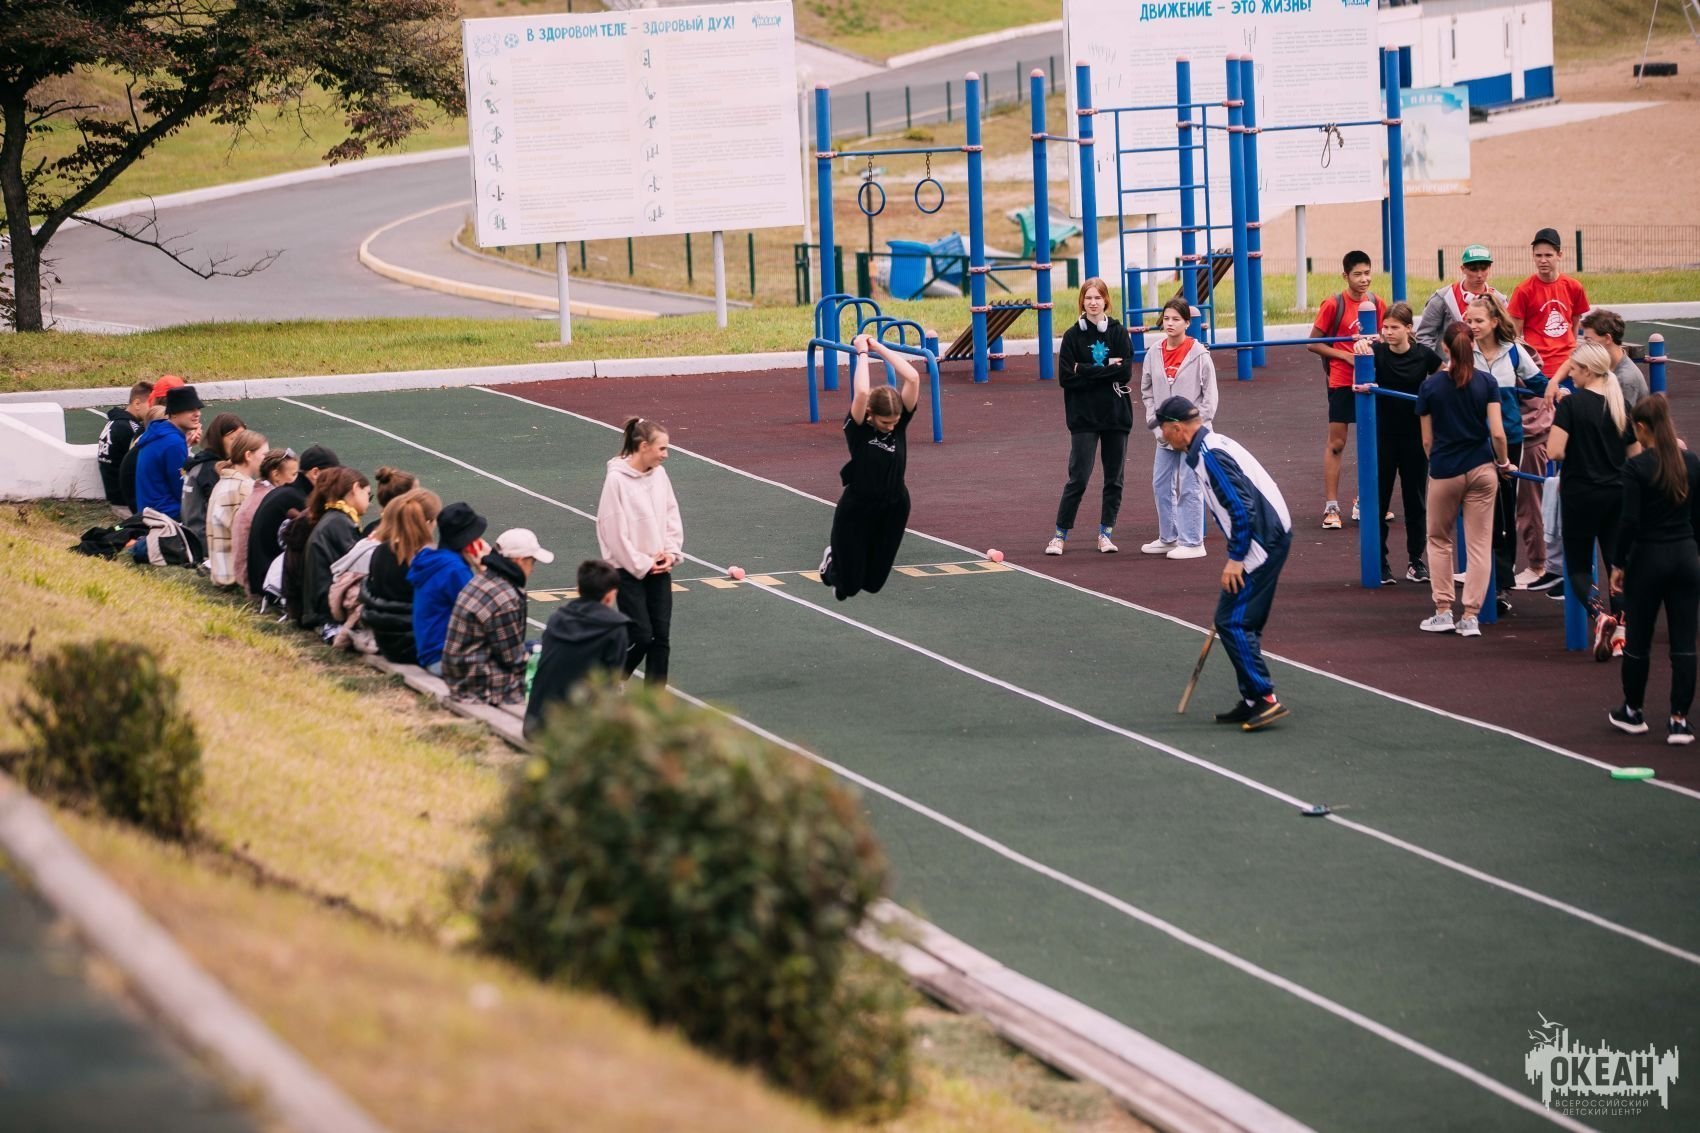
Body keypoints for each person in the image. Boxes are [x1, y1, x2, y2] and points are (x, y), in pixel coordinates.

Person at [1156, 396, 1292, 731]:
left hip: (1262, 541)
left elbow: (1241, 508)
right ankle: (1252, 699)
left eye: (1163, 430)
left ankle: (1264, 697)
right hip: (1268, 535)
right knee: (1239, 620)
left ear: (1178, 428)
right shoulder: (1210, 447)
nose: (1162, 436)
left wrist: (1236, 558)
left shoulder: (1210, 455)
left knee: (1232, 622)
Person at [1608, 395, 1700, 743]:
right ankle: (1679, 719)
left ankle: (1633, 710)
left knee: (1639, 640)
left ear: (1642, 427)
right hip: (1685, 556)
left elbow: (1629, 521)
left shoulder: (1636, 468)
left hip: (1648, 558)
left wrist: (1618, 563)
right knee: (1684, 642)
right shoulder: (1690, 462)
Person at [1417, 322, 1512, 637]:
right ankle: (1471, 615)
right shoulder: (1487, 382)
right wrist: (1503, 462)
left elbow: (1427, 441)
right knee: (1479, 545)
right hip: (1482, 468)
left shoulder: (1431, 387)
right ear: (1472, 345)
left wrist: (1437, 460)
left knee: (1438, 539)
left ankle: (1443, 609)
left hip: (1446, 469)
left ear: (1445, 348)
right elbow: (1497, 432)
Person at [1549, 340, 1637, 661]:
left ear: (1587, 370)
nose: (1571, 374)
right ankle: (1622, 634)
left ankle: (1599, 615)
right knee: (1617, 563)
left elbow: (1555, 451)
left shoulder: (1571, 406)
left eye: (1573, 369)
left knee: (1577, 566)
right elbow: (1636, 456)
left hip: (1581, 494)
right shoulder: (1621, 405)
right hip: (1618, 495)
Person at [817, 337, 922, 599]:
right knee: (849, 586)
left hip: (895, 507)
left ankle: (844, 571)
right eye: (885, 423)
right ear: (870, 414)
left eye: (895, 422)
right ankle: (832, 564)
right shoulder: (858, 428)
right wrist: (862, 352)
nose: (891, 427)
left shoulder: (899, 423)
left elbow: (912, 378)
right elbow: (862, 393)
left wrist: (879, 347)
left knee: (873, 584)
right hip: (858, 508)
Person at [1466, 293, 1550, 612]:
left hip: (1508, 437)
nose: (1472, 326)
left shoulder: (1513, 351)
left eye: (1478, 321)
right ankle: (1479, 573)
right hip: (1473, 437)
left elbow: (1538, 383)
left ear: (1494, 322)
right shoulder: (1465, 350)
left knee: (1503, 507)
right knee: (1474, 505)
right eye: (1469, 320)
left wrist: (1561, 392)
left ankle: (1501, 583)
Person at [1353, 302, 1443, 585]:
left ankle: (1416, 561)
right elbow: (1358, 355)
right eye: (1385, 327)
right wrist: (1360, 346)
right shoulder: (1377, 352)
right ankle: (1379, 561)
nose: (1388, 332)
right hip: (1383, 437)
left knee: (1415, 501)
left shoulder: (1424, 355)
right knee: (1378, 500)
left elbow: (1445, 377)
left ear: (1409, 329)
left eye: (1394, 327)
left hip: (1415, 437)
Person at [1048, 277, 1135, 555]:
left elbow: (1125, 372)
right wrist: (1106, 369)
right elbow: (1066, 378)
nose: (1093, 303)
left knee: (1114, 479)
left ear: (1106, 301)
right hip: (1083, 417)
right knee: (1079, 478)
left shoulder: (1118, 333)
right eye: (1088, 298)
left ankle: (1105, 534)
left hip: (1115, 417)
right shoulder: (1072, 336)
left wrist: (1083, 369)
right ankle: (1059, 536)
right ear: (1082, 302)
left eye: (1098, 297)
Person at [599, 417, 685, 684]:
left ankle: (654, 700)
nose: (666, 455)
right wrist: (643, 563)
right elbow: (613, 532)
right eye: (662, 448)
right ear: (644, 446)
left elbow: (671, 514)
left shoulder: (660, 475)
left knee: (661, 638)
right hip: (627, 570)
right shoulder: (616, 480)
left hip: (659, 567)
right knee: (641, 635)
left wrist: (670, 552)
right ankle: (610, 683)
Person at [1307, 251, 1386, 529]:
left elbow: (1384, 336)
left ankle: (1365, 500)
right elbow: (1313, 343)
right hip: (1341, 381)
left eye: (1367, 273)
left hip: (1370, 381)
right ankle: (1331, 506)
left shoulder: (1376, 302)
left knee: (1373, 441)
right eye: (1357, 274)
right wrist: (1345, 355)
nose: (1364, 279)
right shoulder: (1334, 304)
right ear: (1345, 276)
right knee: (1337, 443)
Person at [1139, 296, 1216, 560]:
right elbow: (1147, 391)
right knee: (1161, 484)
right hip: (1165, 434)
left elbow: (1210, 398)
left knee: (1190, 484)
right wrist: (1156, 426)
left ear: (1187, 323)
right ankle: (1169, 537)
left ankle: (1193, 541)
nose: (1170, 323)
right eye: (1166, 318)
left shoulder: (1199, 354)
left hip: (1192, 436)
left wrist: (1192, 429)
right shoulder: (1154, 352)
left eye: (1176, 319)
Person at [524, 558, 632, 739]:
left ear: (578, 589)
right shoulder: (615, 629)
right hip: (574, 734)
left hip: (536, 725)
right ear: (610, 596)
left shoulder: (557, 618)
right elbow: (610, 682)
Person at [443, 528, 553, 706]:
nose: (533, 569)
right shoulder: (505, 597)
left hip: (462, 675)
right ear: (519, 560)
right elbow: (514, 660)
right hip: (478, 688)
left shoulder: (483, 580)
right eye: (532, 561)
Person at [361, 488, 442, 665]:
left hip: (385, 640)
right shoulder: (427, 560)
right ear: (428, 522)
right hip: (416, 644)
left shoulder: (381, 551)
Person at [246, 444, 339, 597]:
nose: (337, 481)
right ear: (315, 473)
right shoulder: (299, 500)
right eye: (334, 475)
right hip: (272, 586)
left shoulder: (285, 492)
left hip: (261, 577)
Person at [409, 501, 489, 676]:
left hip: (429, 653)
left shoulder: (434, 560)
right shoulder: (455, 570)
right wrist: (486, 572)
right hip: (445, 658)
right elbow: (483, 615)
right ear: (469, 543)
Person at [1508, 227, 1590, 379]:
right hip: (1537, 368)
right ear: (1533, 256)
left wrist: (1571, 354)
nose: (1543, 260)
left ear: (1559, 255)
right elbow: (1516, 335)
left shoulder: (1574, 287)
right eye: (1538, 255)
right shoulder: (1523, 290)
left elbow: (1575, 323)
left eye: (1548, 255)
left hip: (1569, 366)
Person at [300, 467, 371, 636]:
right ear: (355, 488)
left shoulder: (333, 518)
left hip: (317, 606)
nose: (369, 502)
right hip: (326, 611)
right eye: (368, 495)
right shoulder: (339, 523)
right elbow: (359, 568)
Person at [130, 384, 203, 520]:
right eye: (190, 409)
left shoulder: (159, 431)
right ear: (173, 413)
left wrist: (186, 446)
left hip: (148, 511)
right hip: (166, 516)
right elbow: (183, 491)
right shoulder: (173, 443)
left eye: (198, 408)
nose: (197, 413)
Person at [205, 429, 267, 587]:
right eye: (264, 455)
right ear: (248, 455)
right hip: (233, 575)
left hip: (220, 570)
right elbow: (249, 537)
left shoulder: (223, 482)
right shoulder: (243, 488)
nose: (267, 461)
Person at [232, 449, 296, 597]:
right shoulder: (271, 500)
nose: (296, 480)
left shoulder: (258, 492)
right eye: (293, 475)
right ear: (276, 475)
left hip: (243, 574)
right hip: (255, 580)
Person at [1415, 244, 1504, 352]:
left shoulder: (1499, 300)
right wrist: (1437, 361)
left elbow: (1508, 335)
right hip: (1449, 361)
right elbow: (1425, 335)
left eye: (1484, 268)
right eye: (1473, 269)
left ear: (1489, 267)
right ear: (1463, 269)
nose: (1479, 275)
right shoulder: (1443, 297)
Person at [181, 412, 246, 549]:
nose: (239, 445)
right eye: (233, 439)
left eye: (242, 440)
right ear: (219, 439)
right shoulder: (212, 470)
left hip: (194, 536)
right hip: (205, 542)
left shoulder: (200, 463)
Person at [96, 381, 153, 516]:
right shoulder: (130, 429)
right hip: (127, 502)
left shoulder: (115, 422)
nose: (154, 410)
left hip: (115, 495)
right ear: (137, 403)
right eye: (151, 405)